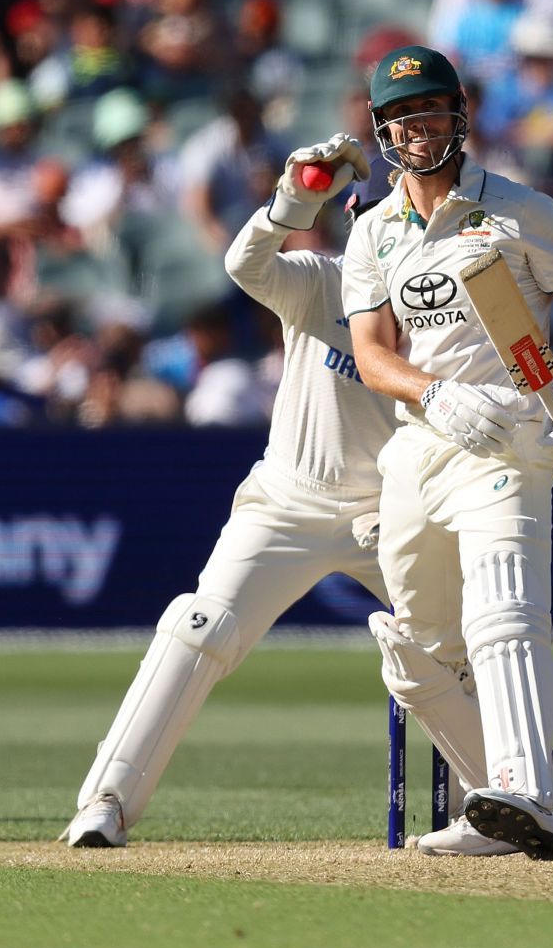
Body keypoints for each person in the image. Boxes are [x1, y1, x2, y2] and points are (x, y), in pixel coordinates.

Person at [61, 132, 395, 847]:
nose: (372, 241)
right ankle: (107, 803)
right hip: (288, 502)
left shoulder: (441, 317)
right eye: (363, 224)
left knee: (460, 643)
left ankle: (492, 807)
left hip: (389, 513)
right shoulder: (319, 279)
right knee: (200, 625)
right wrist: (291, 201)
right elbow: (244, 264)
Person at [344, 44, 553, 860]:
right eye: (397, 117)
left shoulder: (522, 209)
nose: (414, 127)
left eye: (427, 110)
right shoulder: (372, 233)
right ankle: (500, 806)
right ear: (382, 132)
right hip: (422, 444)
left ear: (459, 114)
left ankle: (531, 793)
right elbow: (370, 354)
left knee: (506, 614)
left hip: (510, 433)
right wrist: (431, 392)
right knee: (417, 651)